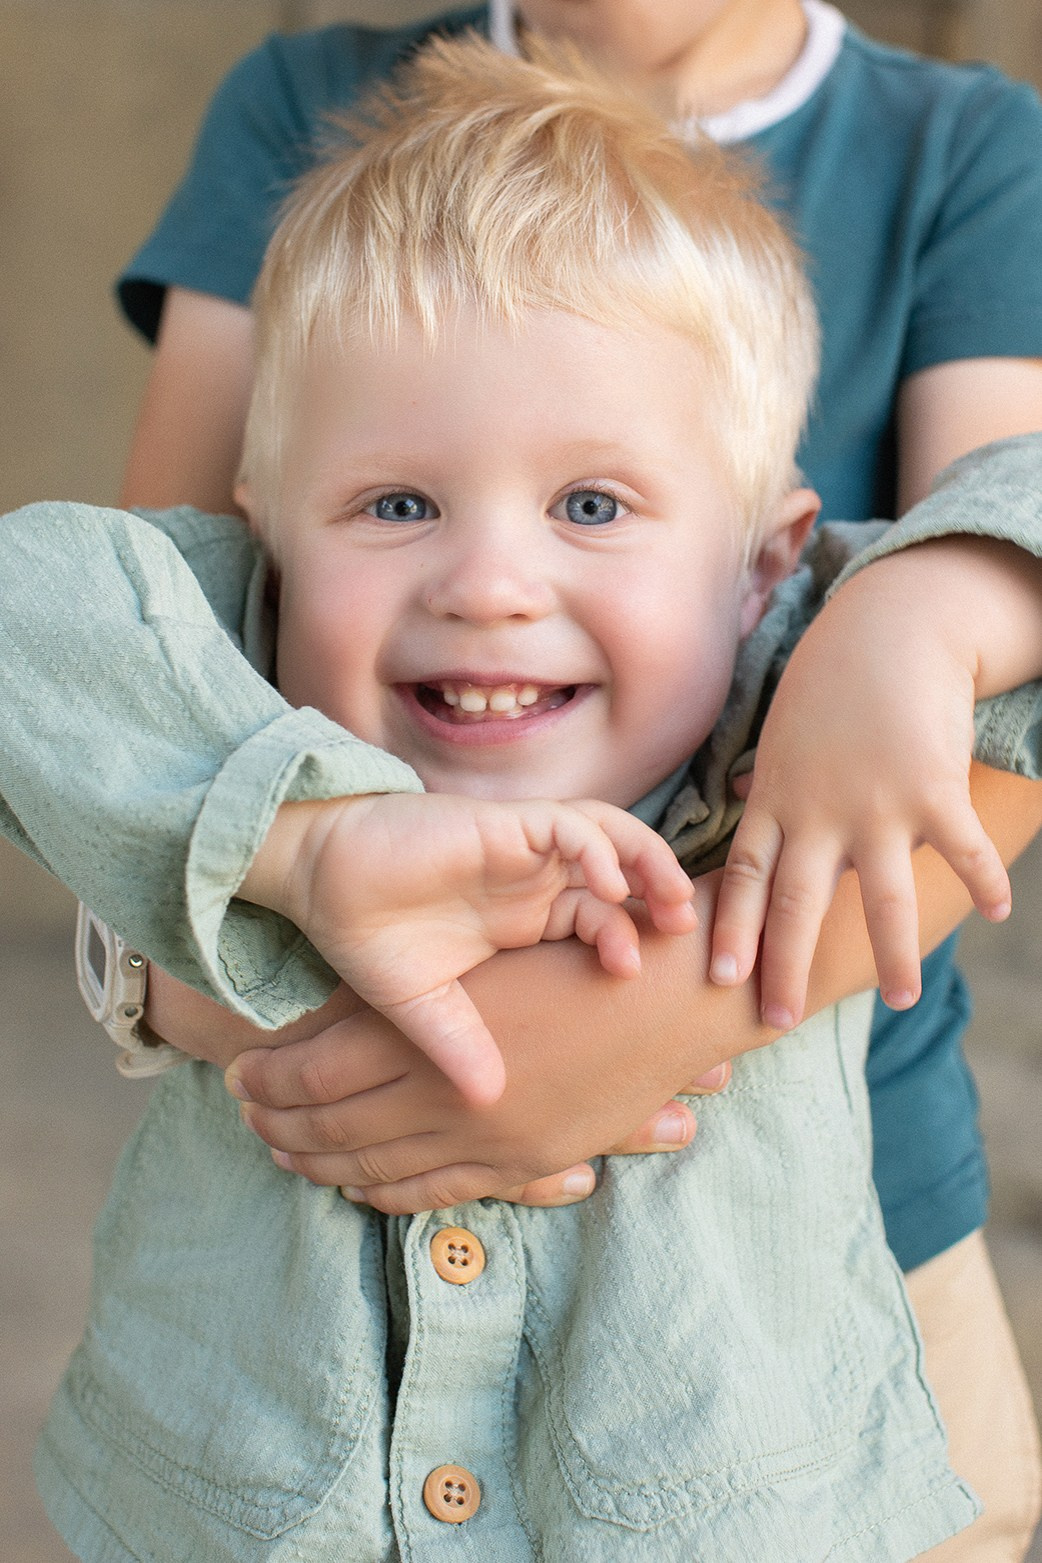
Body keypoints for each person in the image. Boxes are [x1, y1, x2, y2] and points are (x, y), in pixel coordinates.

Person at [3, 0, 1042, 1550]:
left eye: (591, 507)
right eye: (398, 503)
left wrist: (927, 607)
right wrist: (300, 856)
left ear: (764, 567)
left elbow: (1012, 527)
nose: (488, 585)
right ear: (266, 538)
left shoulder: (775, 677)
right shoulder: (298, 117)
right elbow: (56, 607)